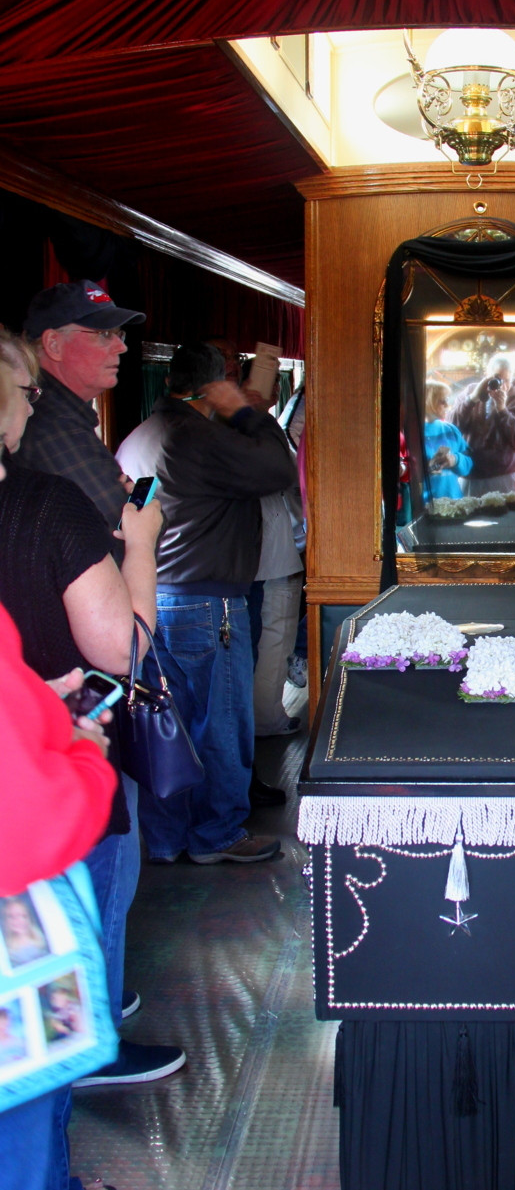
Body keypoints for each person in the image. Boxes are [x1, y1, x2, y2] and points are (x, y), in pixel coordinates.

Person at [0, 330, 184, 1084]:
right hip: (54, 745)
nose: (30, 406)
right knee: (93, 882)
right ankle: (88, 1041)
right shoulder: (48, 507)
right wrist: (140, 543)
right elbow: (124, 650)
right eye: (21, 393)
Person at [0, 355, 118, 1190]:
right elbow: (30, 825)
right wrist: (81, 752)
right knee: (18, 1120)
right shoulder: (55, 509)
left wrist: (28, 711)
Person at [115, 342, 297, 865]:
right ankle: (218, 833)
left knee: (165, 726)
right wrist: (246, 412)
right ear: (218, 384)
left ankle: (168, 837)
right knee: (219, 722)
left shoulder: (140, 435)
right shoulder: (198, 436)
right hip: (207, 601)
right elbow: (276, 471)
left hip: (151, 599)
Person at [15, 277, 143, 539]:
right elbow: (122, 541)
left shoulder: (58, 415)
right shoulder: (52, 426)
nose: (121, 346)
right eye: (104, 334)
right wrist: (149, 511)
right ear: (53, 344)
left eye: (119, 334)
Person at [451, 354, 515, 496]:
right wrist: (471, 400)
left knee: (504, 517)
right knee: (469, 518)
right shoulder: (470, 391)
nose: (502, 385)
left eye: (507, 380)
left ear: (513, 377)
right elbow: (452, 428)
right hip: (470, 475)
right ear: (486, 375)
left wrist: (503, 411)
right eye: (497, 378)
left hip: (503, 476)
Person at [422, 380, 472, 500]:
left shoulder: (451, 430)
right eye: (442, 401)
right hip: (424, 504)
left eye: (447, 400)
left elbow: (468, 463)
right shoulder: (412, 433)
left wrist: (455, 460)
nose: (447, 405)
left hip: (454, 500)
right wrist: (427, 467)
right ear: (429, 402)